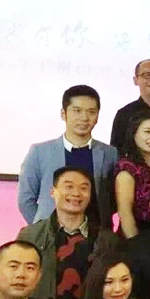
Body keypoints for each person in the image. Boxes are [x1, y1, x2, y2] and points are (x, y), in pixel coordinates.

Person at [17, 166, 119, 299]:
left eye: (83, 188)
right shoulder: (30, 236)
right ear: (53, 192)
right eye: (69, 186)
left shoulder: (107, 240)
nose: (76, 193)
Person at [18, 85, 118, 226]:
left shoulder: (110, 154)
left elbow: (114, 199)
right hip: (51, 235)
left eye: (91, 112)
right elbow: (25, 200)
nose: (84, 118)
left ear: (97, 116)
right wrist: (42, 230)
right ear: (63, 114)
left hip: (97, 233)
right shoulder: (39, 152)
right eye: (77, 111)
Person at [114, 109, 150, 238]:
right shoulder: (127, 168)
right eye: (148, 132)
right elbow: (125, 213)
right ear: (134, 133)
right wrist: (136, 245)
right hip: (139, 234)